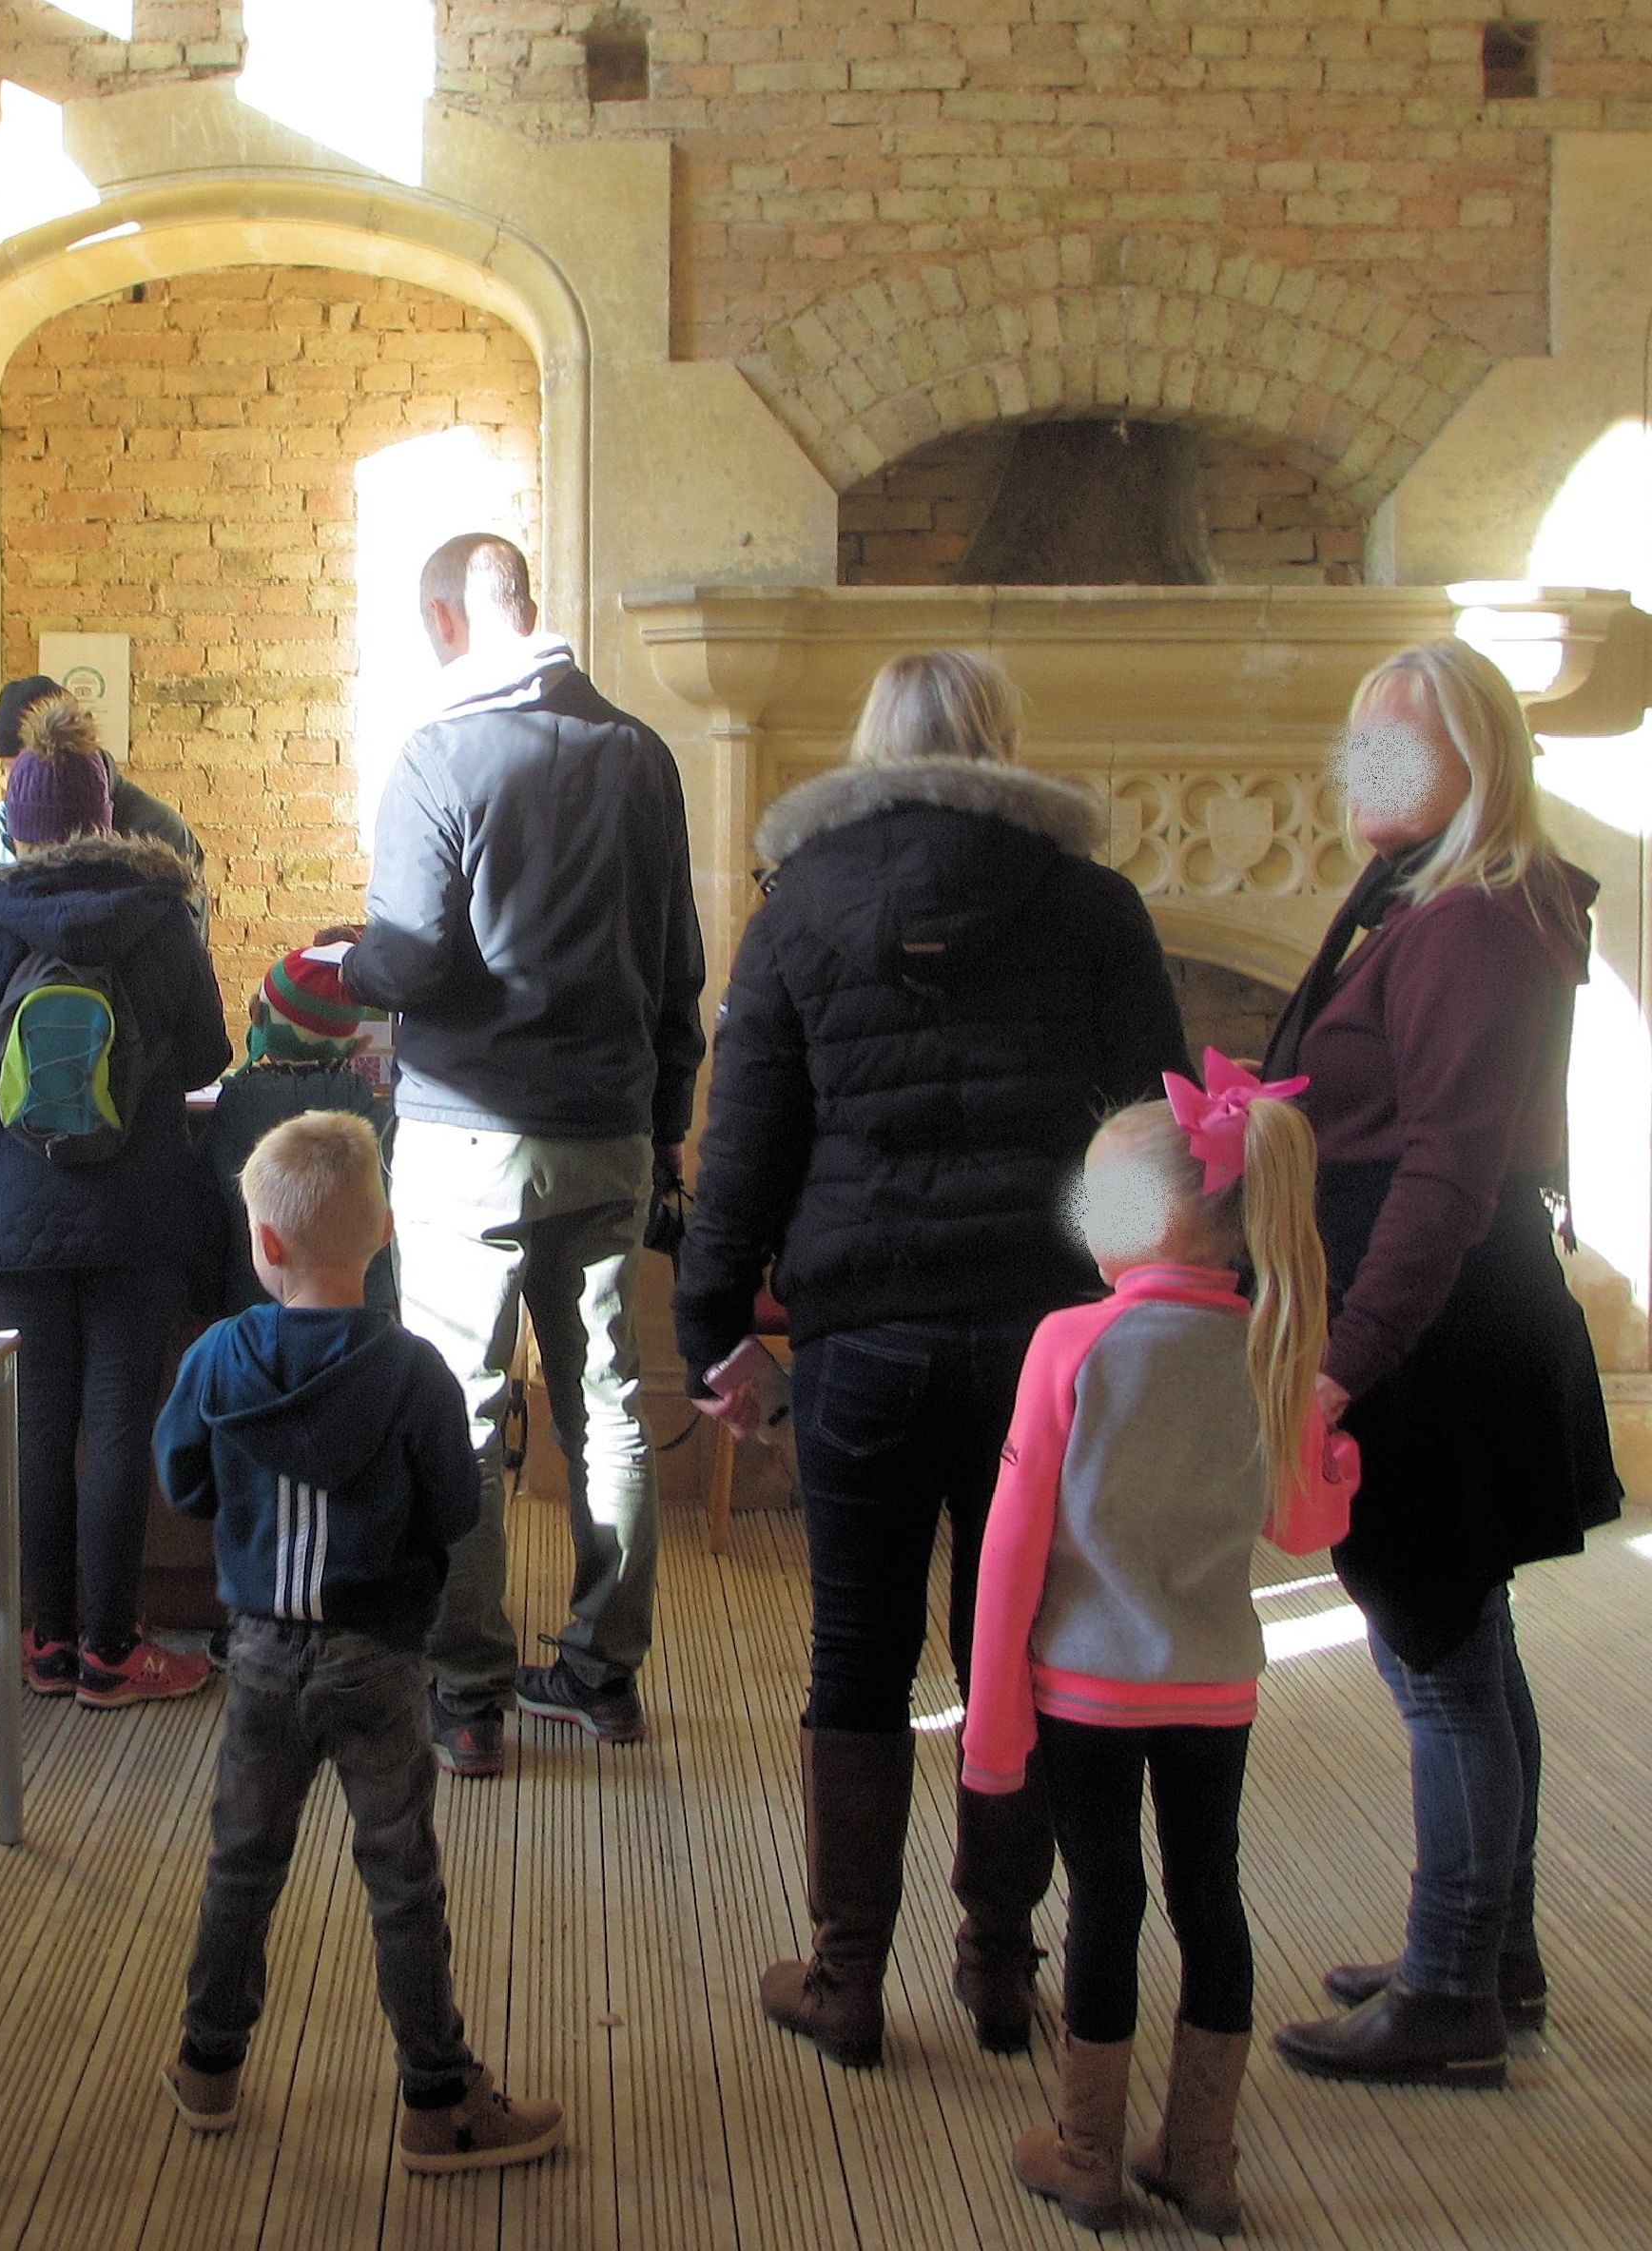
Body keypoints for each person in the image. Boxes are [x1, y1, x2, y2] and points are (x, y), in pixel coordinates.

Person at [672, 648, 1190, 2068]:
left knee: (856, 1644)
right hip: (1045, 1338)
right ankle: (1001, 1964)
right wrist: (1144, 1302)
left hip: (860, 1336)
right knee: (1012, 1643)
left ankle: (846, 1979)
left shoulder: (792, 917)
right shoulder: (1093, 904)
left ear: (869, 748)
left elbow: (746, 1147)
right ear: (1004, 742)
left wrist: (713, 1322)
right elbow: (1157, 1129)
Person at [1261, 639, 1623, 2087]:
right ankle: (1486, 1947)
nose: (1373, 776)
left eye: (1404, 750)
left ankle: (1453, 1983)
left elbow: (1445, 1180)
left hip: (1437, 1331)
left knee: (1439, 1664)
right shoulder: (1434, 900)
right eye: (1364, 748)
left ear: (1480, 766)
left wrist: (1342, 1364)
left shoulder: (1470, 924)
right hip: (1439, 1317)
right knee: (1465, 1643)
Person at [333, 533, 707, 1776]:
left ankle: (467, 1691)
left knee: (461, 1403)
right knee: (607, 1405)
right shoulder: (641, 755)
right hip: (607, 1128)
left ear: (445, 620)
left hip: (468, 1131)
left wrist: (351, 966)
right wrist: (665, 1131)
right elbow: (679, 970)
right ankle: (603, 1677)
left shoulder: (438, 756)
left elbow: (412, 956)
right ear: (530, 608)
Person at [964, 1058, 1358, 2236]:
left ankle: (1088, 2152)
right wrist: (1339, 1466)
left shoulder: (1068, 1345)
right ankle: (1202, 2158)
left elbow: (1008, 1557)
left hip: (1085, 1691)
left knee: (1105, 1906)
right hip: (1217, 1686)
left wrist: (991, 1737)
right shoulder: (1271, 1346)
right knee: (1211, 1901)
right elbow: (1300, 1525)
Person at [154, 1111, 563, 2171]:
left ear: (264, 1242)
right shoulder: (419, 1371)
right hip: (381, 1657)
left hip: (255, 1654)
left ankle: (208, 2065)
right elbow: (455, 1507)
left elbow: (182, 1479)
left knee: (242, 1863)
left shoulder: (214, 1359)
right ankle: (437, 2097)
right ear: (382, 1230)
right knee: (402, 1878)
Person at [0, 695, 232, 1708]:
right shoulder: (159, 911)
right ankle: (111, 1650)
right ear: (105, 815)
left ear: (18, 819)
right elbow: (209, 1056)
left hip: (14, 1215)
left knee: (39, 1427)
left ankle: (45, 1645)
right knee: (117, 1423)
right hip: (137, 1205)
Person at [0, 676, 206, 1012]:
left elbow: (182, 972)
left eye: (18, 769)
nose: (11, 783)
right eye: (8, 771)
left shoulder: (158, 832)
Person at [199, 950, 395, 1318]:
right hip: (363, 1309)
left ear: (265, 1023)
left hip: (252, 1305)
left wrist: (204, 1300)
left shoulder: (240, 1104)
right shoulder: (368, 1108)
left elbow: (210, 1212)